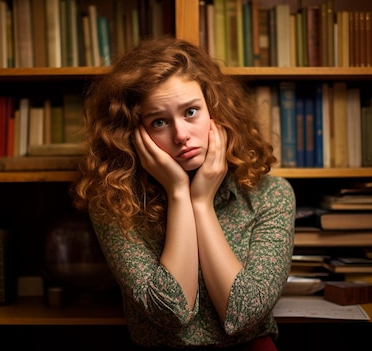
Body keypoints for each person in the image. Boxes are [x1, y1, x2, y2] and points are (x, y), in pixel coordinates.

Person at [71, 36, 295, 350]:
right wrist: (179, 193)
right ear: (134, 134)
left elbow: (244, 314)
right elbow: (171, 312)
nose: (180, 135)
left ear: (215, 111)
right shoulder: (114, 201)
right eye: (159, 121)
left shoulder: (271, 194)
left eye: (191, 112)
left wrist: (201, 202)